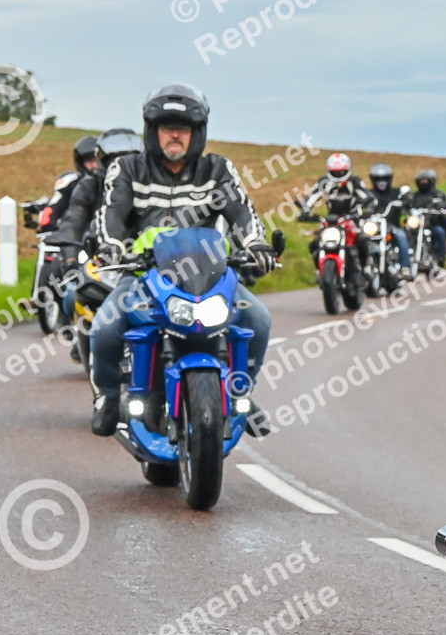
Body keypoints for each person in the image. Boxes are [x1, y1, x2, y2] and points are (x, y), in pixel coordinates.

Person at [88, 84, 277, 436]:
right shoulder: (126, 169)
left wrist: (256, 245)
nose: (175, 135)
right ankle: (108, 398)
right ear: (152, 131)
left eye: (183, 128)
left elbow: (242, 213)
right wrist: (111, 246)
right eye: (167, 127)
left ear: (197, 133)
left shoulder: (218, 169)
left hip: (208, 274)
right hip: (144, 274)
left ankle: (240, 392)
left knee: (258, 319)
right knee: (104, 328)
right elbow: (110, 214)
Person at [51, 128, 142, 340]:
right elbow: (74, 219)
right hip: (99, 257)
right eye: (114, 161)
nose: (121, 166)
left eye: (129, 159)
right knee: (72, 293)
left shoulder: (149, 184)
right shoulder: (90, 184)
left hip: (144, 260)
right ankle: (82, 342)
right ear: (102, 162)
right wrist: (70, 260)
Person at [296, 152, 375, 265]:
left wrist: (368, 209)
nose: (338, 175)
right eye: (335, 172)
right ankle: (320, 268)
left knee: (363, 241)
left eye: (341, 172)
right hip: (332, 221)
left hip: (352, 219)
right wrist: (305, 211)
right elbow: (312, 197)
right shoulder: (324, 182)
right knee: (315, 243)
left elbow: (367, 196)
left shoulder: (354, 181)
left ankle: (365, 266)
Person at [36, 134, 99, 232]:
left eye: (96, 160)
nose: (94, 165)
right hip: (77, 235)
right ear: (80, 163)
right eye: (89, 160)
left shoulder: (115, 181)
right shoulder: (71, 182)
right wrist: (50, 228)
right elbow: (53, 209)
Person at [367, 163, 412, 273]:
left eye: (385, 178)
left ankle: (405, 267)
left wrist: (405, 201)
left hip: (392, 226)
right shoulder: (368, 194)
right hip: (374, 227)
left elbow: (408, 200)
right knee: (360, 238)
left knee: (401, 236)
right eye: (378, 179)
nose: (381, 182)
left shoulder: (396, 193)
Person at [405, 168, 446, 268]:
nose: (423, 183)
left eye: (425, 181)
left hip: (432, 224)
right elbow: (407, 205)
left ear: (431, 181)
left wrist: (438, 209)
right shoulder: (414, 196)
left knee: (440, 232)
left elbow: (445, 206)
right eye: (421, 181)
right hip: (416, 224)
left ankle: (441, 258)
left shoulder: (439, 195)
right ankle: (404, 260)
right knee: (405, 232)